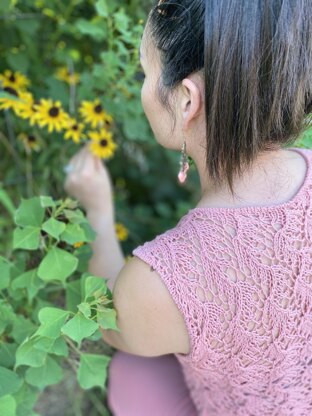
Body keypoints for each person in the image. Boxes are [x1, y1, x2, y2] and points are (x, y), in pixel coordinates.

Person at [64, 0, 312, 415]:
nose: (144, 88)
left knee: (132, 370)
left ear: (185, 100)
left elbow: (108, 324)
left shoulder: (163, 279)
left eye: (147, 73)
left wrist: (99, 212)